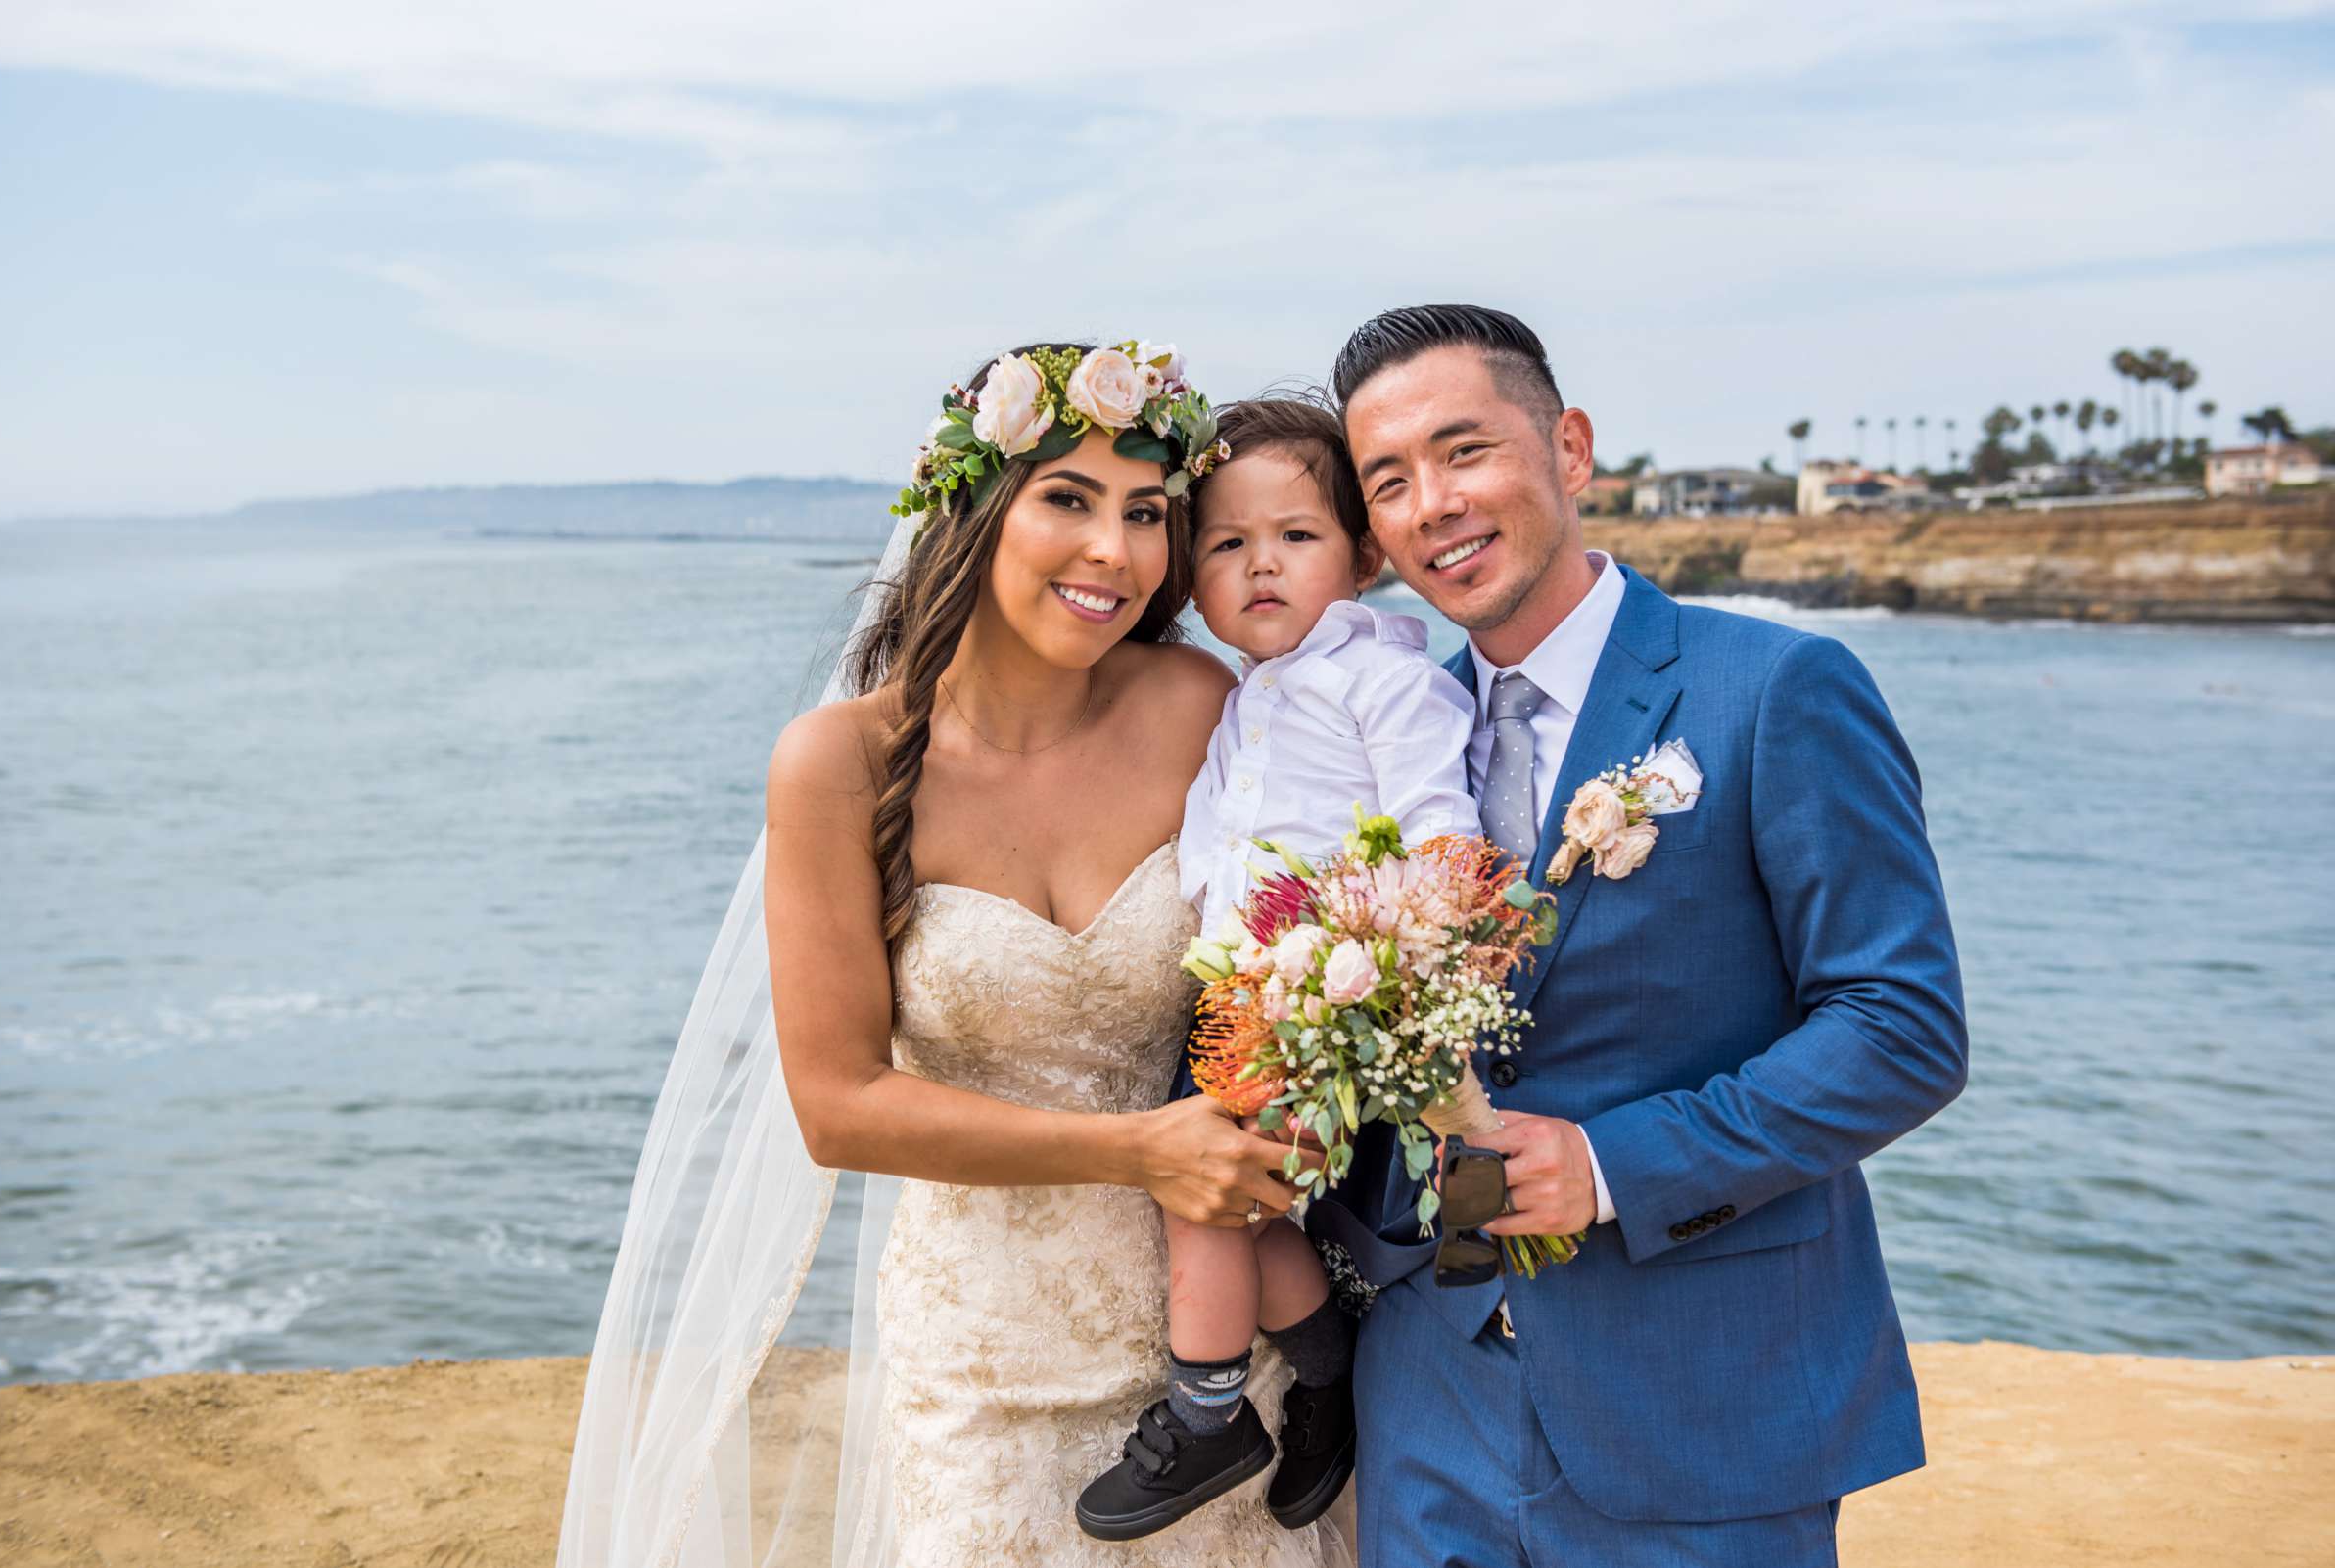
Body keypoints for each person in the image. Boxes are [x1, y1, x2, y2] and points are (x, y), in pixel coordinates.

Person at [555, 339, 1350, 1568]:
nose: (1116, 551)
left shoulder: (1202, 705)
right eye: (1068, 501)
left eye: (1149, 513)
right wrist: (1138, 1150)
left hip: (1219, 1341)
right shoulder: (840, 764)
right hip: (988, 1361)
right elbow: (837, 1106)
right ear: (970, 514)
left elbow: (1309, 933)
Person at [1304, 304, 1969, 1567]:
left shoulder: (1775, 690)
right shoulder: (1389, 738)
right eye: (1389, 481)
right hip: (1430, 1405)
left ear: (1570, 450)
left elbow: (1903, 1030)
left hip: (1701, 1399)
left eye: (1466, 451)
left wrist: (1611, 1167)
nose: (1432, 502)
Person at [1075, 397, 1477, 1541]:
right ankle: (1327, 1378)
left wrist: (1353, 972)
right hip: (1235, 997)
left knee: (1197, 1193)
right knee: (1244, 1213)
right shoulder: (1242, 701)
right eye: (1226, 543)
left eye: (1296, 537)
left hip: (1324, 994)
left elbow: (1439, 836)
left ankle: (1208, 1414)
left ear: (1361, 555)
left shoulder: (1382, 682)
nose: (1261, 566)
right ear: (1189, 578)